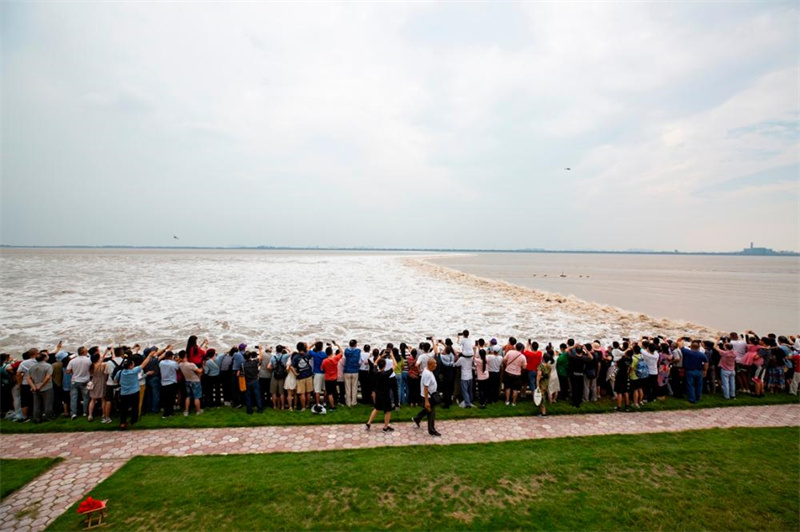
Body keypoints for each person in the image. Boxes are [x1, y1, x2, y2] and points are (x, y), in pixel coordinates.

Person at [114, 348, 160, 430]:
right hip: (134, 392)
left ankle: (123, 423)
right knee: (135, 407)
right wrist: (149, 355)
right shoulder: (134, 371)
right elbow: (144, 364)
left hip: (124, 393)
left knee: (123, 409)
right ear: (130, 366)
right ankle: (133, 420)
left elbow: (115, 380)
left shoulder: (120, 372)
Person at [412, 358, 441, 437]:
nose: (436, 365)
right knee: (431, 413)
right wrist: (426, 401)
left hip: (430, 395)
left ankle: (416, 418)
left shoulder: (427, 369)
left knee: (427, 410)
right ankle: (432, 430)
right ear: (430, 365)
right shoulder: (427, 374)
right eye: (434, 364)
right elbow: (425, 387)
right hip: (428, 396)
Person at [365, 358, 395, 432]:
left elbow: (375, 363)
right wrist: (392, 355)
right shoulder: (386, 373)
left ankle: (369, 423)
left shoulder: (375, 372)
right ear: (385, 365)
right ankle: (385, 426)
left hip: (378, 393)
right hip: (385, 394)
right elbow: (395, 365)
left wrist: (381, 356)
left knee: (376, 408)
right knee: (388, 410)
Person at [677, 338, 709, 404]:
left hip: (689, 371)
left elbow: (680, 345)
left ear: (691, 346)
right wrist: (705, 370)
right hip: (699, 371)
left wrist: (681, 339)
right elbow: (706, 362)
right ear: (698, 347)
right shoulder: (702, 354)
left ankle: (692, 399)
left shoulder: (687, 352)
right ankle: (698, 397)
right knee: (699, 385)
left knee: (690, 385)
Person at [66, 346, 92, 420]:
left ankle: (73, 413)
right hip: (85, 380)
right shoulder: (89, 360)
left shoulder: (73, 361)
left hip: (75, 380)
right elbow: (91, 370)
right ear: (84, 352)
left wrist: (74, 372)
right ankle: (85, 412)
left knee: (73, 398)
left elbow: (68, 371)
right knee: (86, 397)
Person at [27, 351, 54, 423]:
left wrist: (33, 386)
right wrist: (41, 385)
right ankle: (48, 417)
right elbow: (48, 377)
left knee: (36, 404)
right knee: (48, 403)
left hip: (35, 387)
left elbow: (28, 378)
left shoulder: (32, 367)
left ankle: (36, 418)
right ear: (44, 358)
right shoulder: (48, 366)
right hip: (47, 387)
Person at [239, 347, 263, 414]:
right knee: (258, 396)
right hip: (255, 380)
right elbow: (260, 358)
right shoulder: (254, 362)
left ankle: (249, 410)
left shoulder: (242, 364)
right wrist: (260, 349)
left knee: (248, 396)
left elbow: (240, 373)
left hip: (247, 381)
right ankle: (260, 409)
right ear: (250, 356)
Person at [179, 350, 204, 416]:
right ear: (185, 355)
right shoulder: (191, 365)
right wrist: (202, 368)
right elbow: (199, 371)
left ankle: (186, 411)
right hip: (195, 381)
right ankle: (198, 411)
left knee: (188, 396)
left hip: (187, 381)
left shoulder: (180, 364)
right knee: (196, 397)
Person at [292, 343, 314, 410]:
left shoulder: (295, 357)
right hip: (309, 375)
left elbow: (291, 366)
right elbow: (308, 351)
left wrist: (295, 373)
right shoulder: (307, 354)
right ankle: (308, 405)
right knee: (308, 392)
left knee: (302, 393)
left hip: (300, 376)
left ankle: (303, 407)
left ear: (297, 348)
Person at [159, 349, 180, 417]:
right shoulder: (173, 363)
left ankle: (166, 412)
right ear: (171, 356)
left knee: (165, 399)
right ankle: (170, 412)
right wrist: (177, 361)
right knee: (171, 399)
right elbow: (177, 368)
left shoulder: (161, 363)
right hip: (171, 382)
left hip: (163, 382)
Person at [321, 345, 343, 411]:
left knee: (329, 393)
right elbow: (341, 352)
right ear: (332, 352)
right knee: (334, 391)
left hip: (328, 378)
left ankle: (332, 406)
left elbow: (322, 369)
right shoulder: (335, 359)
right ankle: (335, 402)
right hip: (334, 378)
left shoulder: (324, 361)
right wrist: (337, 345)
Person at [268, 345, 290, 410]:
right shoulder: (284, 356)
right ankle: (282, 406)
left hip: (274, 375)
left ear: (276, 350)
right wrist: (287, 348)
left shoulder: (273, 357)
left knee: (274, 392)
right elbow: (292, 353)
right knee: (282, 393)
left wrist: (273, 368)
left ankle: (275, 406)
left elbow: (268, 367)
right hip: (282, 376)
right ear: (282, 350)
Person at [87, 352, 107, 422]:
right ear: (98, 358)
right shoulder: (103, 365)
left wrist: (105, 352)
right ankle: (103, 414)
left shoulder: (91, 366)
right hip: (101, 382)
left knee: (93, 399)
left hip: (94, 381)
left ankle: (90, 415)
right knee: (103, 399)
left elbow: (100, 360)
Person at [535, 351, 552, 417]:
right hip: (546, 383)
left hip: (541, 384)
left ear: (543, 358)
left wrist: (537, 383)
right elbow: (549, 375)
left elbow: (539, 375)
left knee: (541, 398)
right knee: (544, 396)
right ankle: (544, 410)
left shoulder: (540, 366)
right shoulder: (549, 366)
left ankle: (543, 412)